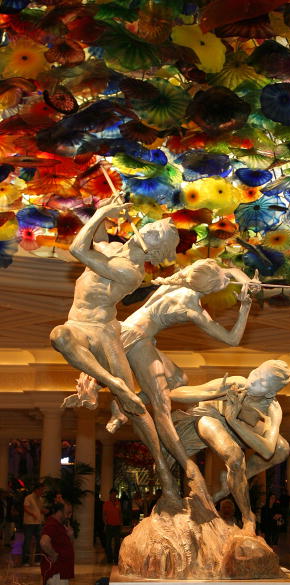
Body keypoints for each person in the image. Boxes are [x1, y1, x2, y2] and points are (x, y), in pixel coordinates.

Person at [65, 258, 259, 510]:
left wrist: (246, 282)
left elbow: (229, 270)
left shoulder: (176, 283)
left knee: (179, 379)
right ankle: (176, 459)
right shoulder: (192, 309)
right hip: (137, 341)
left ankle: (121, 410)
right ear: (209, 289)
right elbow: (232, 340)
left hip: (129, 333)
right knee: (163, 406)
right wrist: (245, 306)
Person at [50, 201, 181, 503]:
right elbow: (97, 238)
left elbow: (78, 250)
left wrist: (100, 215)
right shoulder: (113, 250)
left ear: (154, 252)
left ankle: (162, 467)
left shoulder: (130, 272)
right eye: (153, 226)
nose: (150, 228)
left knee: (134, 406)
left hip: (104, 332)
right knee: (59, 336)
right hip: (78, 324)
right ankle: (114, 382)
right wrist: (105, 209)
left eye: (156, 234)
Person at [164, 359, 290, 534]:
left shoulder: (273, 409)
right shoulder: (236, 383)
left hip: (237, 425)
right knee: (235, 457)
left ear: (270, 393)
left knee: (282, 449)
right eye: (256, 372)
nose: (254, 380)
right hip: (211, 417)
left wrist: (233, 421)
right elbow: (177, 395)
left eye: (263, 382)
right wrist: (213, 393)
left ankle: (245, 513)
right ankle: (246, 510)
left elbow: (267, 451)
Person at [40, 501, 74, 585]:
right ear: (59, 512)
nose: (69, 516)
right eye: (68, 513)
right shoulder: (52, 524)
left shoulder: (59, 525)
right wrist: (53, 554)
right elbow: (44, 542)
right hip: (56, 574)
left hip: (61, 573)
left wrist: (70, 536)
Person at [22, 483, 45, 566]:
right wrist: (33, 514)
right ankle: (25, 561)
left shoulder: (41, 499)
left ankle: (37, 560)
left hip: (38, 523)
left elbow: (40, 509)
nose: (42, 492)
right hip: (29, 523)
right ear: (37, 490)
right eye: (41, 490)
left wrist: (44, 511)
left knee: (39, 541)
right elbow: (25, 507)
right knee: (27, 541)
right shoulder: (28, 497)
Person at [103, 488, 122, 565]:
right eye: (112, 494)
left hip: (117, 525)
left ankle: (116, 558)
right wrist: (105, 524)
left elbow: (120, 513)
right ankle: (110, 558)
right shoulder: (106, 504)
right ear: (110, 495)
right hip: (109, 525)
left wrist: (121, 522)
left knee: (117, 543)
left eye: (115, 494)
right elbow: (104, 515)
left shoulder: (118, 503)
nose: (114, 496)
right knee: (108, 543)